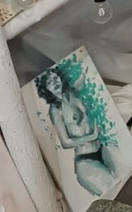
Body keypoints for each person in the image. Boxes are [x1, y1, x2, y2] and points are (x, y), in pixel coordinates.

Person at [36, 67, 116, 198]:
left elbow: (83, 79)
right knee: (112, 188)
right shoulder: (56, 110)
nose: (54, 82)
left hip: (102, 150)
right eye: (49, 82)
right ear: (46, 89)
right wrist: (93, 136)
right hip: (85, 161)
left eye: (55, 78)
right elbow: (66, 143)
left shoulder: (73, 94)